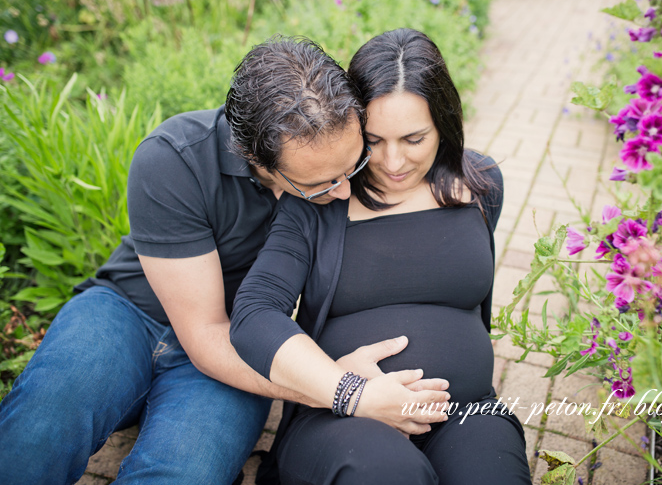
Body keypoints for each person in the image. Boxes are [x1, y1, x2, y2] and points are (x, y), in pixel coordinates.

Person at [0, 36, 448, 485]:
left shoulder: (344, 157)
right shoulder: (172, 159)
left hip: (242, 342)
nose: (344, 192)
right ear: (255, 156)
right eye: (321, 184)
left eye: (351, 168)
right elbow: (203, 334)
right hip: (127, 313)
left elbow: (420, 144)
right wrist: (335, 388)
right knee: (41, 424)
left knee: (182, 474)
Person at [230, 28, 533, 485]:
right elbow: (254, 314)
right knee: (391, 475)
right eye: (374, 141)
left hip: (467, 412)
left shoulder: (481, 184)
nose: (393, 162)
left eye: (414, 139)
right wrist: (350, 394)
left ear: (444, 123)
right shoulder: (318, 203)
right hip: (344, 421)